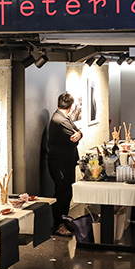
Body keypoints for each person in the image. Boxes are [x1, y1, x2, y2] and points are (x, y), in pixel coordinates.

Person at [48, 92, 83, 236]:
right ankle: (59, 225)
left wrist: (79, 134)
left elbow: (78, 132)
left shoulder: (63, 117)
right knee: (62, 194)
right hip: (60, 165)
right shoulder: (60, 120)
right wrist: (78, 135)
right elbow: (72, 136)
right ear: (70, 107)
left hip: (65, 163)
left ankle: (64, 220)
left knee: (67, 193)